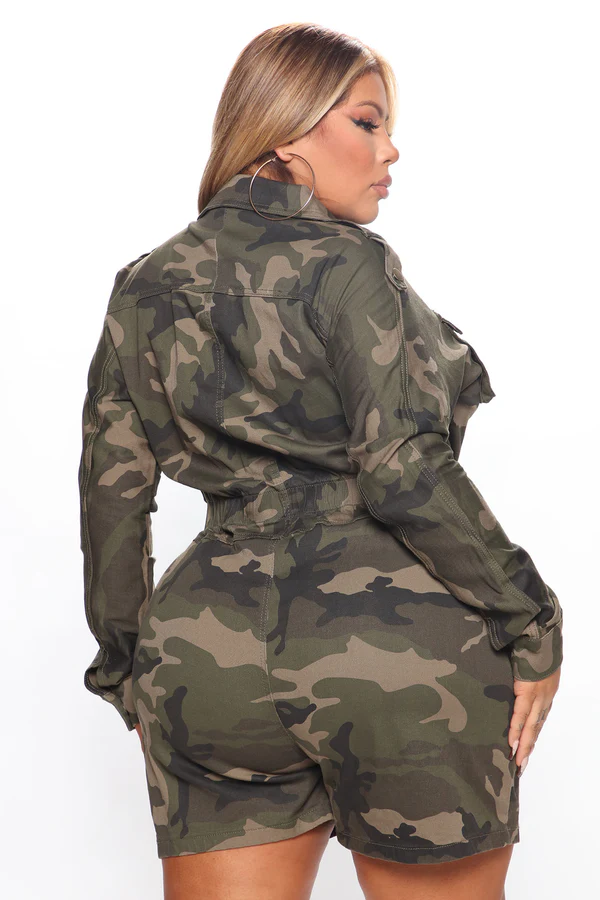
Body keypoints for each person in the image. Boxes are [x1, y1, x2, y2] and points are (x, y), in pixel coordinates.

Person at [78, 22, 563, 900]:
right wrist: (531, 617)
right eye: (368, 123)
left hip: (205, 656)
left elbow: (111, 494)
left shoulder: (143, 284)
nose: (391, 150)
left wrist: (127, 668)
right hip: (394, 652)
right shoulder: (350, 266)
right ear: (286, 131)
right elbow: (402, 467)